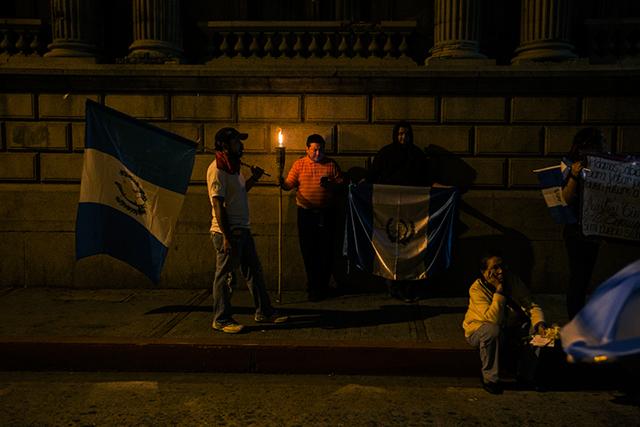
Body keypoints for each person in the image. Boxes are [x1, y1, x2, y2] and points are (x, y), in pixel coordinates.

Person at [207, 127, 287, 333]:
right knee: (224, 276)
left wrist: (254, 179)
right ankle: (221, 318)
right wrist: (226, 236)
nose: (241, 145)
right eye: (236, 142)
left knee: (254, 272)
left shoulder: (234, 167)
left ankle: (264, 312)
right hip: (228, 231)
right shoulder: (217, 169)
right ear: (224, 146)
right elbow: (218, 205)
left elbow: (239, 194)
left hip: (242, 229)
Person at [462, 252, 546, 394]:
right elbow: (492, 320)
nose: (500, 271)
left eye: (502, 266)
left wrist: (539, 324)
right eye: (495, 268)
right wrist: (499, 292)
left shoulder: (512, 280)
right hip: (479, 331)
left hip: (507, 328)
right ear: (484, 272)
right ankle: (490, 379)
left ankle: (526, 376)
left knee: (537, 333)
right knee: (492, 331)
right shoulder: (476, 289)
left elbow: (531, 305)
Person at [368, 121, 432, 302]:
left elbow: (427, 179)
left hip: (413, 210)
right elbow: (373, 176)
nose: (403, 137)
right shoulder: (386, 153)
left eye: (406, 134)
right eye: (400, 134)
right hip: (388, 210)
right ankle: (394, 286)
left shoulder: (417, 155)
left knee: (410, 246)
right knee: (391, 246)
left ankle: (410, 286)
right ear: (395, 135)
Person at [280, 134, 344, 302]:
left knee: (326, 251)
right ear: (307, 149)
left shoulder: (330, 165)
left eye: (321, 149)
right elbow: (289, 185)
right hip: (306, 214)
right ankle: (313, 286)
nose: (318, 153)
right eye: (314, 149)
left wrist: (331, 186)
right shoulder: (299, 165)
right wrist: (281, 180)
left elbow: (341, 186)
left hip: (326, 214)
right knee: (309, 251)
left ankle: (322, 286)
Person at [561, 127, 605, 320]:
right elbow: (565, 199)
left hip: (593, 230)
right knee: (578, 277)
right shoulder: (569, 164)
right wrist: (574, 176)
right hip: (576, 230)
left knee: (585, 276)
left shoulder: (601, 165)